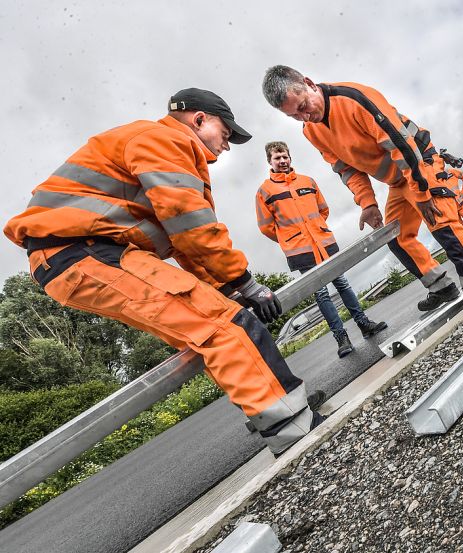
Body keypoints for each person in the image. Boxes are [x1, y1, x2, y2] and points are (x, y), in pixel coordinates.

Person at [4, 88, 323, 456]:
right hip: (84, 253)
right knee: (224, 326)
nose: (228, 144)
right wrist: (245, 284)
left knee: (213, 322)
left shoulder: (164, 148)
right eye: (226, 132)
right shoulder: (166, 139)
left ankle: (276, 411)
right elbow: (193, 227)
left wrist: (226, 287)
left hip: (85, 255)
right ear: (199, 120)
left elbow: (182, 243)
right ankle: (293, 427)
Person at [261, 65, 463, 311]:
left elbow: (402, 145)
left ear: (310, 84)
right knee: (397, 238)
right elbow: (347, 169)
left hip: (420, 164)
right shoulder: (311, 131)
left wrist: (422, 192)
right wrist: (367, 203)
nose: (304, 117)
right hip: (397, 180)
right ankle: (441, 288)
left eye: (303, 106)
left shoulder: (354, 99)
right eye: (294, 116)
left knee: (441, 221)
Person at [256, 141, 387, 357]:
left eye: (285, 157)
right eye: (277, 158)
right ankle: (341, 338)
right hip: (301, 250)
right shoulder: (265, 191)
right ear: (269, 161)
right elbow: (266, 227)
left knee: (343, 284)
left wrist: (316, 229)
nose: (282, 161)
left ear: (290, 158)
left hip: (324, 243)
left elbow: (323, 210)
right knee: (322, 293)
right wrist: (290, 238)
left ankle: (364, 324)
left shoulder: (308, 181)